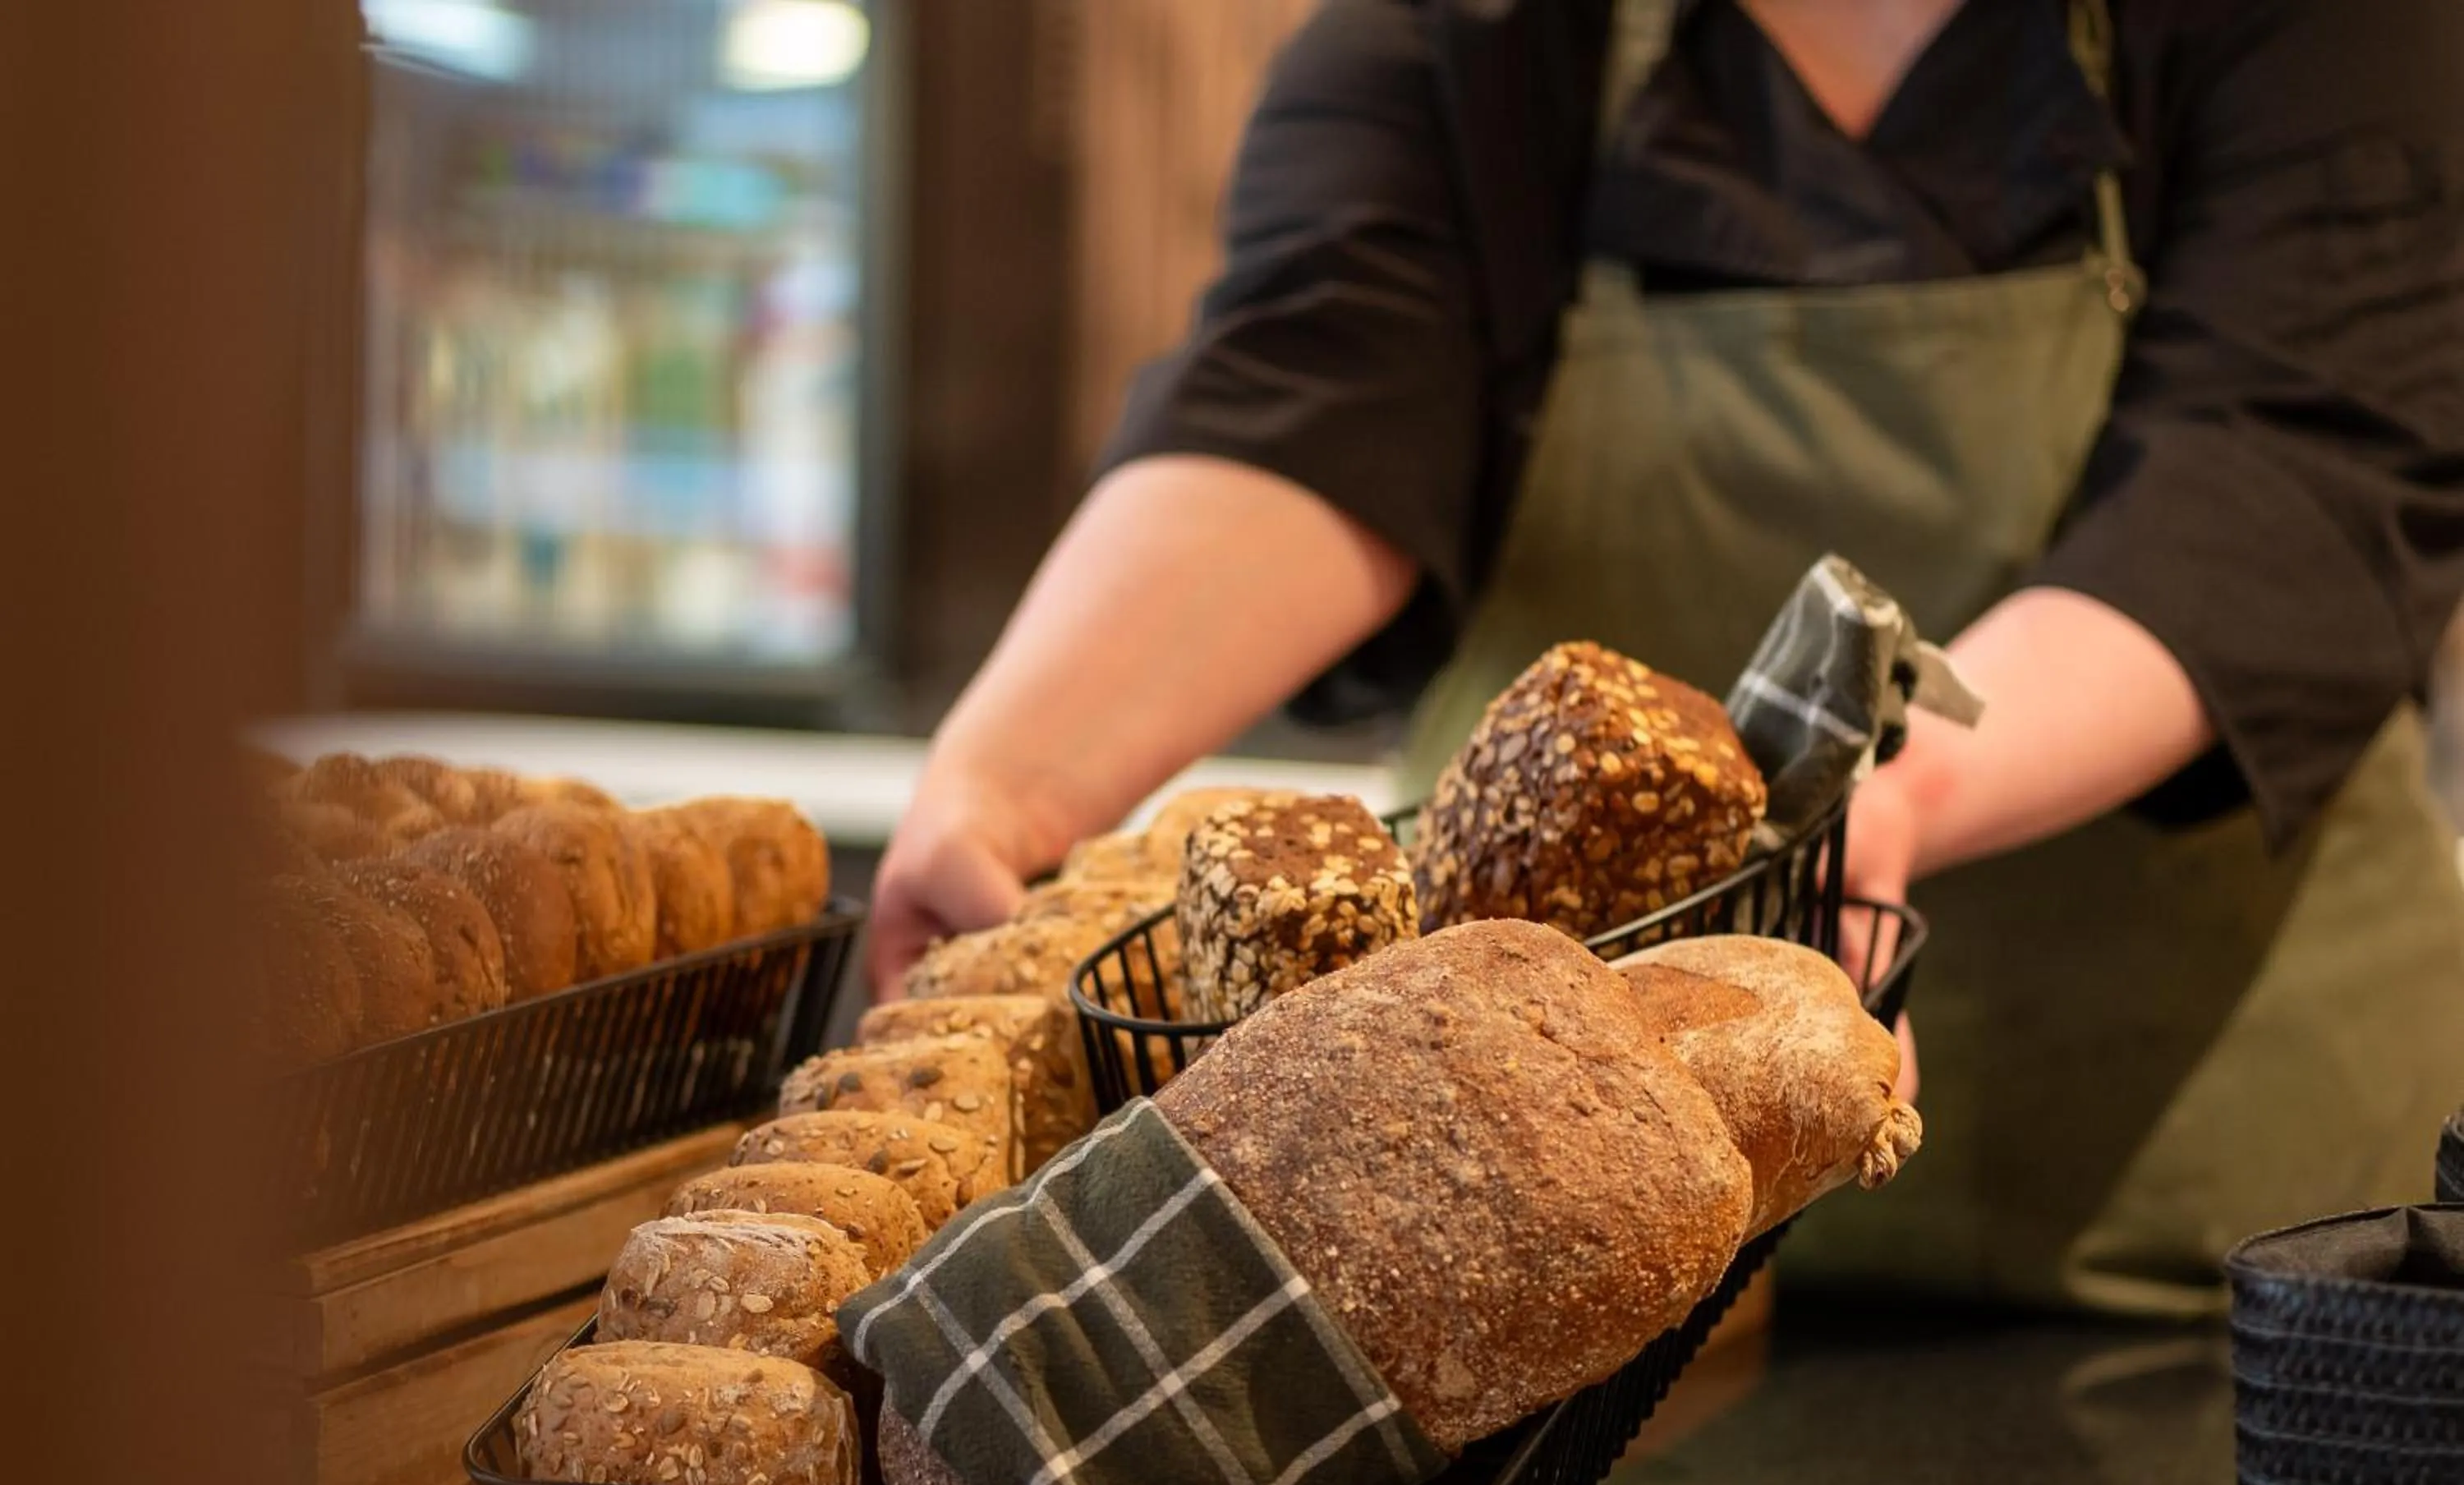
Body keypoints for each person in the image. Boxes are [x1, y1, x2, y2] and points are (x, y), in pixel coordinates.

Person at [871, 0, 2464, 1313]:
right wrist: (1009, 775)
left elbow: (2280, 475)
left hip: (2210, 1289)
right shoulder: (1472, 38)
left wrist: (1876, 788)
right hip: (1550, 1303)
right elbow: (1316, 382)